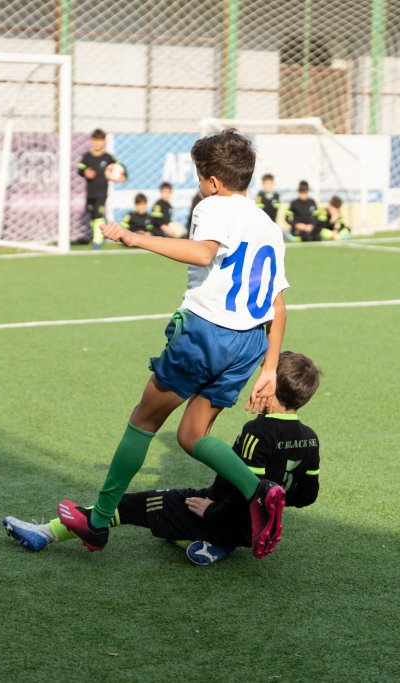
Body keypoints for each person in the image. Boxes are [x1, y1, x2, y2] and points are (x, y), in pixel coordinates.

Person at [56, 129, 290, 560]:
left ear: (213, 180)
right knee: (191, 434)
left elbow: (203, 253)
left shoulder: (213, 205)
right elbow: (278, 304)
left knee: (144, 421)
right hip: (250, 344)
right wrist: (270, 368)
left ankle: (99, 520)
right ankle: (259, 492)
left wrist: (133, 237)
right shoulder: (268, 225)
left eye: (201, 177)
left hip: (207, 334)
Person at [4, 351, 322, 566]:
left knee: (135, 504)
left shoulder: (258, 432)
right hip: (252, 530)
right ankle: (214, 545)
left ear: (271, 387)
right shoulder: (310, 437)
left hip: (225, 516)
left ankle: (44, 533)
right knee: (172, 526)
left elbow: (248, 493)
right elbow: (306, 495)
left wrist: (213, 512)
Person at [77, 129, 123, 249]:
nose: (98, 143)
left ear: (104, 142)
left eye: (100, 140)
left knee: (99, 214)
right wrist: (85, 172)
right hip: (90, 192)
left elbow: (119, 167)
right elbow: (80, 169)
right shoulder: (87, 157)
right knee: (92, 214)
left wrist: (121, 176)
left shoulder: (108, 157)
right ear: (92, 141)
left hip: (102, 192)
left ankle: (98, 240)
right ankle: (97, 235)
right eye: (95, 140)